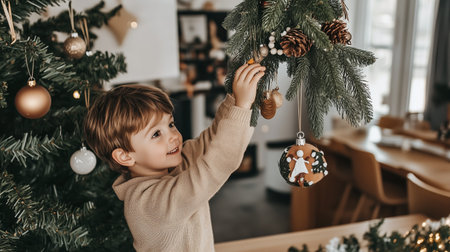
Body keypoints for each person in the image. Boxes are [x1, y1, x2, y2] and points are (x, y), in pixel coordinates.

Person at [83, 63, 266, 251]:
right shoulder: (147, 205)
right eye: (156, 134)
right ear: (125, 156)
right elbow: (216, 165)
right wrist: (242, 106)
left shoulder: (176, 163)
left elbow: (214, 138)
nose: (173, 136)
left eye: (170, 124)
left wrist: (235, 98)